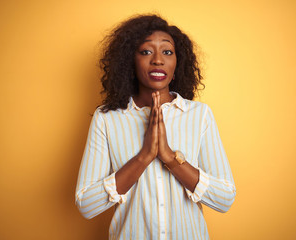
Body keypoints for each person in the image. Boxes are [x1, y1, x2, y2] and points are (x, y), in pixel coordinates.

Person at [75, 14, 236, 240]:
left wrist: (170, 158)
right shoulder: (107, 118)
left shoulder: (199, 115)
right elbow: (86, 204)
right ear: (130, 60)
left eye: (167, 52)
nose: (158, 60)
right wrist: (144, 157)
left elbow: (224, 198)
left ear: (177, 62)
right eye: (146, 51)